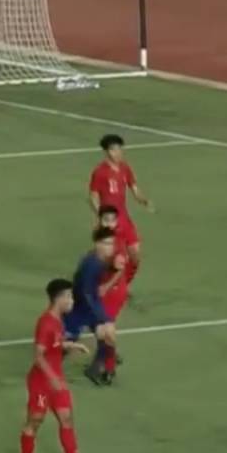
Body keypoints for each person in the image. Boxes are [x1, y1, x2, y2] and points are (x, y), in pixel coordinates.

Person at [19, 278, 101, 453]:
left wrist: (71, 345)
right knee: (34, 422)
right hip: (41, 382)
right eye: (69, 296)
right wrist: (52, 379)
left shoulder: (57, 320)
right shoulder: (46, 323)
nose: (72, 300)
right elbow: (39, 356)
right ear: (60, 298)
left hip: (55, 380)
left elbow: (54, 343)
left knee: (66, 418)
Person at [88, 133, 152, 289]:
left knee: (135, 256)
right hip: (111, 221)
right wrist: (101, 216)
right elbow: (93, 196)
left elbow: (134, 188)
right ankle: (106, 284)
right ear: (107, 151)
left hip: (125, 219)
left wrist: (144, 200)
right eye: (114, 150)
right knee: (116, 258)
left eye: (119, 149)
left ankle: (122, 284)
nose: (118, 153)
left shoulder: (125, 168)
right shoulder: (100, 172)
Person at [66, 226, 121, 386]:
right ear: (97, 244)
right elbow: (85, 292)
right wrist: (99, 315)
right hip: (79, 307)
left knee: (109, 333)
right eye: (106, 243)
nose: (110, 247)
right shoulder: (92, 264)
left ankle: (96, 367)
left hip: (90, 304)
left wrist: (113, 268)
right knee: (65, 345)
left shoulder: (99, 258)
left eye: (112, 243)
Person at [94, 205, 132, 380]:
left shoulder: (117, 243)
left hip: (114, 291)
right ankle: (108, 355)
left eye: (112, 220)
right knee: (100, 327)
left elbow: (120, 269)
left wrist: (106, 287)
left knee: (106, 328)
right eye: (105, 220)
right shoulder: (101, 236)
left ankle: (109, 368)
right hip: (105, 289)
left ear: (116, 222)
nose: (109, 223)